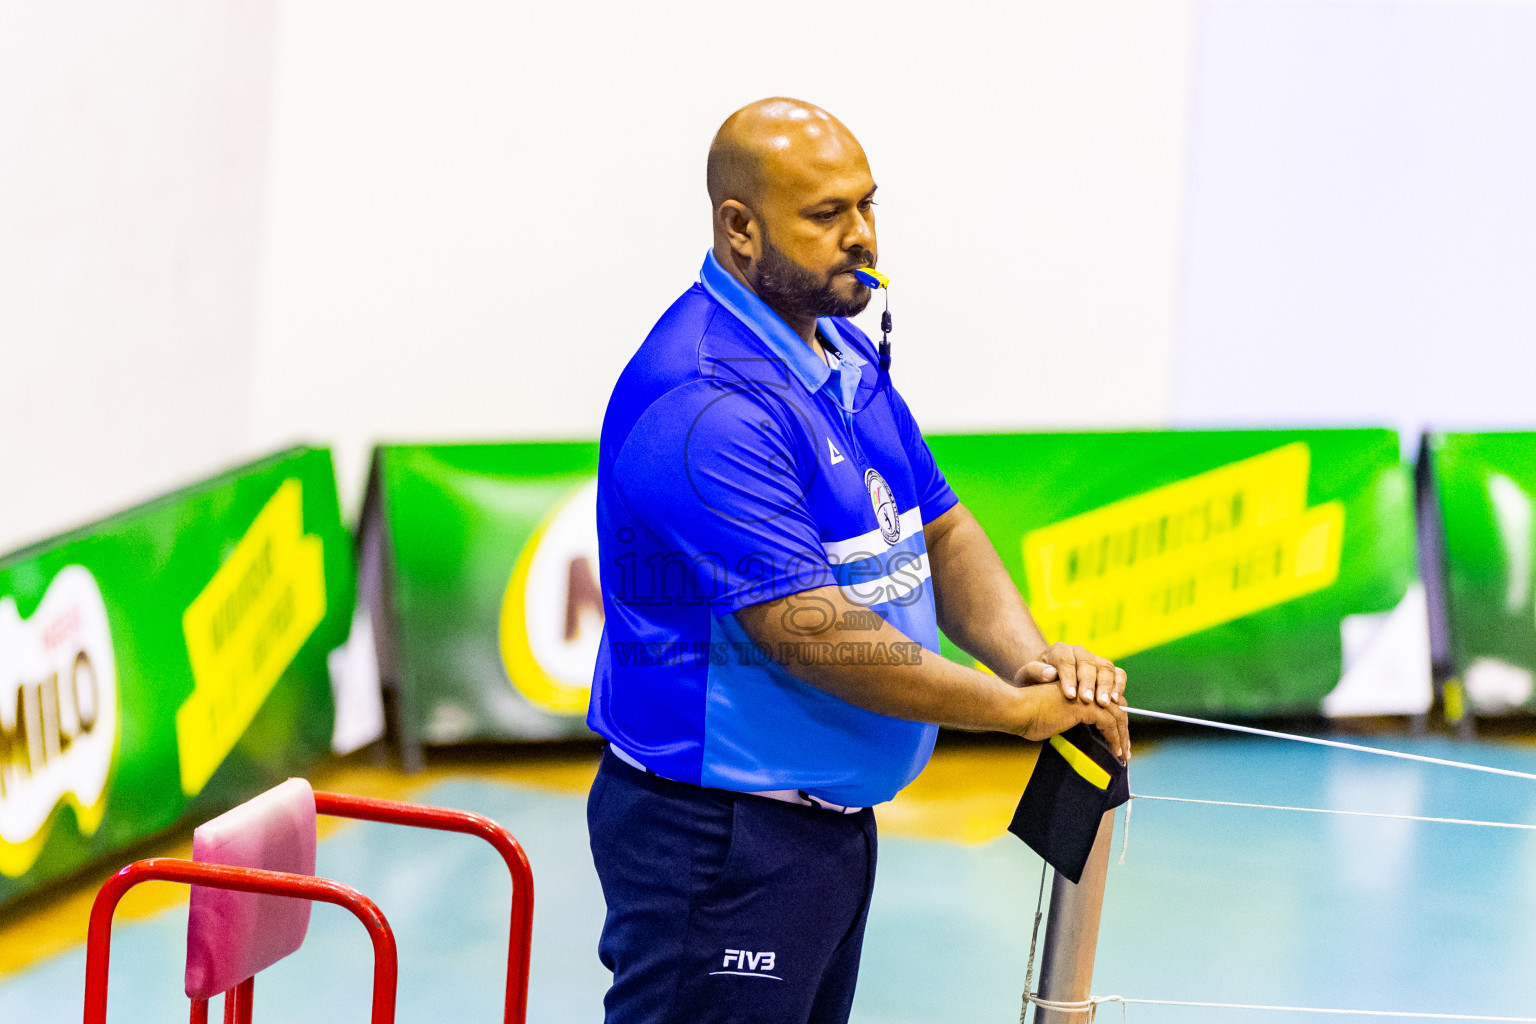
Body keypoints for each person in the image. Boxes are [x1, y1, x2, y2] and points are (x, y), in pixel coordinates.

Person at [586, 96, 1130, 1024]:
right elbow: (816, 634)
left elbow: (943, 528)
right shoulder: (705, 402)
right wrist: (1007, 712)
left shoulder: (837, 347)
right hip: (719, 841)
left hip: (824, 835)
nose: (862, 236)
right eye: (827, 215)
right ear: (740, 229)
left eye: (868, 205)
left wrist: (1030, 660)